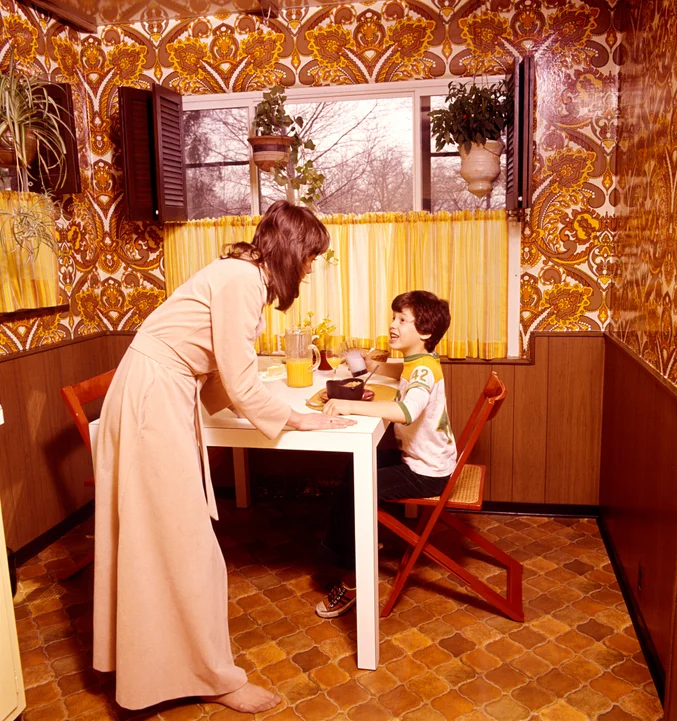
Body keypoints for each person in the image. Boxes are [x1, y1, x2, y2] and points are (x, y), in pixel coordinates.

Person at [92, 200, 356, 714]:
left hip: (156, 392)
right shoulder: (242, 281)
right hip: (154, 399)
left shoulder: (239, 276)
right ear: (290, 250)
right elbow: (236, 381)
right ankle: (215, 679)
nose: (309, 267)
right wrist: (301, 418)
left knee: (159, 541)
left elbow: (217, 374)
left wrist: (258, 404)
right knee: (188, 547)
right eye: (309, 256)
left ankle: (159, 667)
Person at [317, 290, 457, 617]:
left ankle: (351, 579)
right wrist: (369, 364)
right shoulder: (420, 362)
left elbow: (407, 410)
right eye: (393, 317)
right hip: (424, 461)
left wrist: (347, 403)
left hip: (426, 473)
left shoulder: (423, 371)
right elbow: (399, 375)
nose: (392, 325)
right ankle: (361, 542)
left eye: (401, 320)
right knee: (356, 468)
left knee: (354, 491)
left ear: (424, 332)